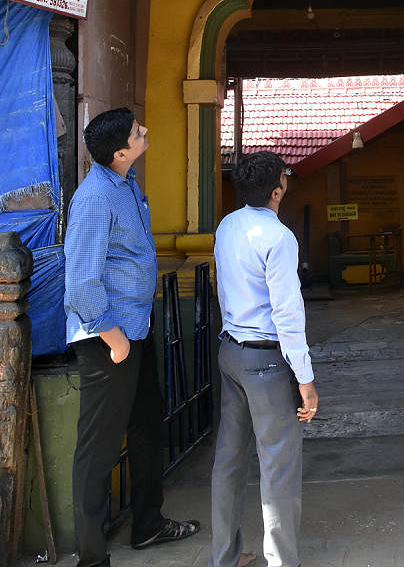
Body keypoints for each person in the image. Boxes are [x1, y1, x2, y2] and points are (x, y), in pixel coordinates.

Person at [64, 108, 199, 566]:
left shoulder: (126, 182)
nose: (146, 133)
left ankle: (148, 524)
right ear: (121, 152)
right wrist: (116, 339)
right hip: (108, 339)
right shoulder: (94, 198)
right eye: (138, 133)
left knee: (146, 426)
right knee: (98, 450)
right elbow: (81, 281)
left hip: (135, 329)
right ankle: (91, 557)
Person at [210, 151, 318, 567]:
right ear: (277, 190)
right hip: (265, 360)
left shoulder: (227, 225)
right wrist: (305, 379)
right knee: (279, 467)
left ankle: (224, 557)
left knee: (228, 460)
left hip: (231, 351)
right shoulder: (280, 238)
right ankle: (282, 562)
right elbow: (287, 313)